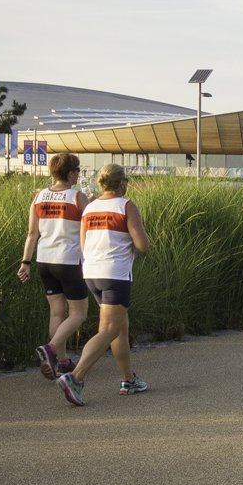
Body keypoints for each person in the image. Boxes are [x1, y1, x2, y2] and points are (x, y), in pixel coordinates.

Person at [56, 164, 149, 406]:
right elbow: (142, 245)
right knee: (109, 329)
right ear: (122, 184)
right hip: (115, 274)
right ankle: (75, 378)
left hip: (91, 273)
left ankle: (128, 379)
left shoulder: (90, 207)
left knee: (119, 326)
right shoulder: (126, 206)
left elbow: (84, 243)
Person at [18, 152, 89, 379]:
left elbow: (32, 233)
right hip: (69, 260)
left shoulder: (39, 197)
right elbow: (92, 226)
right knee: (79, 313)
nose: (78, 174)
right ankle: (50, 348)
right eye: (77, 170)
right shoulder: (77, 197)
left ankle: (62, 361)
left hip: (44, 260)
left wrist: (25, 262)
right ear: (70, 173)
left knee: (57, 312)